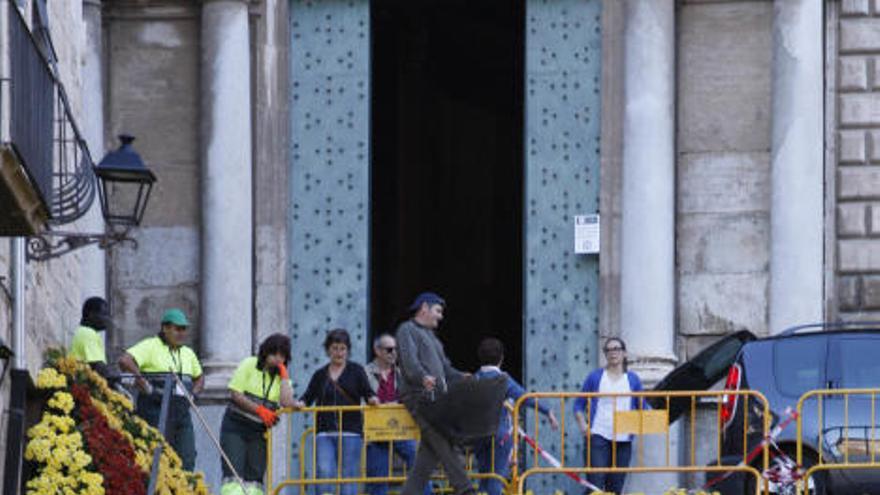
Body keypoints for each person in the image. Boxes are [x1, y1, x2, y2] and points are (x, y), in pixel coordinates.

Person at [396, 292, 475, 495]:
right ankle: (465, 489)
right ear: (424, 308)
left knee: (427, 457)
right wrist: (423, 377)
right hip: (419, 397)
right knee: (442, 440)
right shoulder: (406, 330)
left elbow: (446, 369)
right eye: (438, 311)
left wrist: (461, 376)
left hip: (436, 399)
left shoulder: (433, 338)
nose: (440, 316)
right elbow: (409, 362)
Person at [118, 308, 204, 471]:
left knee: (188, 457)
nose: (181, 333)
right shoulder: (150, 345)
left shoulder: (188, 353)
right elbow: (125, 360)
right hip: (155, 412)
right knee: (157, 459)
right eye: (177, 329)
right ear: (165, 328)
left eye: (184, 329)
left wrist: (194, 394)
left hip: (182, 414)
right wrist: (142, 381)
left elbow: (199, 377)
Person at [295, 328, 379, 495]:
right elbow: (308, 396)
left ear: (348, 350)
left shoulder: (356, 371)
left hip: (351, 432)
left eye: (342, 348)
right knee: (324, 472)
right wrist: (298, 403)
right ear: (328, 350)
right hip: (325, 432)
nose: (339, 353)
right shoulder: (320, 374)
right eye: (334, 348)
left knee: (348, 476)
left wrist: (373, 399)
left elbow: (368, 392)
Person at [472, 337, 558, 495]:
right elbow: (525, 398)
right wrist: (547, 411)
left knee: (483, 476)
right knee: (496, 478)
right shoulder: (503, 379)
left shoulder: (474, 378)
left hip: (477, 434)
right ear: (501, 358)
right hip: (500, 435)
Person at [219, 333, 295, 495]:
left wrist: (284, 377)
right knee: (233, 478)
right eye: (274, 354)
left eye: (282, 355)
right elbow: (235, 394)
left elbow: (287, 402)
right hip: (235, 427)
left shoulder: (280, 377)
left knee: (255, 481)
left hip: (259, 432)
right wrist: (259, 410)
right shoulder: (249, 364)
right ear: (266, 352)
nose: (278, 359)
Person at [573, 337, 644, 495]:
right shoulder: (595, 377)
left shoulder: (633, 379)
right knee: (595, 484)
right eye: (609, 350)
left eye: (617, 349)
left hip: (624, 439)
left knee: (616, 487)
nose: (613, 353)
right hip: (598, 435)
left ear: (624, 353)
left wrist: (662, 415)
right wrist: (583, 425)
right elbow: (578, 405)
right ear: (605, 354)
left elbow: (642, 406)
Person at [364, 333, 431, 495]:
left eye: (396, 349)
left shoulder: (403, 374)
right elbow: (361, 399)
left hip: (401, 430)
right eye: (389, 349)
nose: (394, 353)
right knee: (377, 478)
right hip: (377, 431)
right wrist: (384, 405)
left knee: (419, 463)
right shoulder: (365, 372)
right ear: (377, 351)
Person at [69, 297, 114, 380]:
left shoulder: (86, 332)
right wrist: (117, 377)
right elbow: (99, 367)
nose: (108, 319)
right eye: (104, 314)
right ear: (91, 314)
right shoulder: (88, 333)